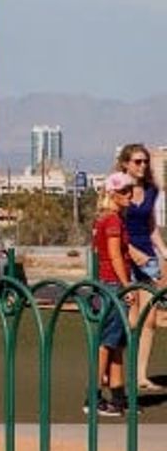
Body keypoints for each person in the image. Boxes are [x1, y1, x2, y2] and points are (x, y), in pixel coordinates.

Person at [116, 143, 165, 389]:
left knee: (149, 318)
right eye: (137, 161)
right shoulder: (118, 190)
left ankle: (141, 376)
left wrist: (163, 251)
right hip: (124, 257)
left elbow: (151, 226)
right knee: (129, 318)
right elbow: (114, 225)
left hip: (147, 257)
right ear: (125, 163)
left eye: (145, 161)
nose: (142, 166)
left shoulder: (152, 190)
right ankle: (117, 375)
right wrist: (131, 251)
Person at [89, 171, 135, 417]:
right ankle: (93, 396)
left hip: (106, 283)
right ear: (113, 194)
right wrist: (126, 284)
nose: (130, 195)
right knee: (107, 342)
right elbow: (115, 255)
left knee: (116, 342)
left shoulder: (105, 220)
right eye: (125, 191)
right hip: (112, 284)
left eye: (131, 190)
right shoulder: (113, 221)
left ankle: (118, 398)